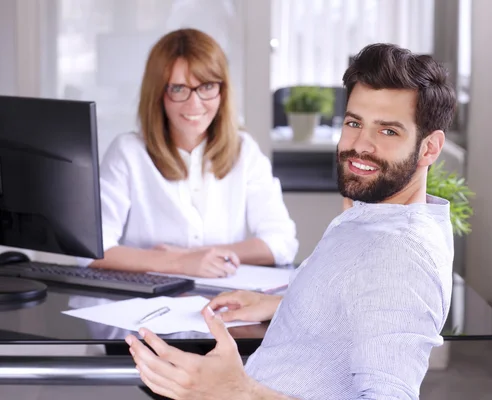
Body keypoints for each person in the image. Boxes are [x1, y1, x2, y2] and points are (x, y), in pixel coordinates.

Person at [125, 43, 457, 399]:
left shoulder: (401, 259)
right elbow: (362, 301)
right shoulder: (378, 215)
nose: (361, 144)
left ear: (430, 148)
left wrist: (239, 392)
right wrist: (290, 304)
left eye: (388, 131)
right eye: (353, 122)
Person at [84, 29, 298, 277]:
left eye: (207, 86)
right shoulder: (127, 153)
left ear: (222, 90)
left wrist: (201, 255)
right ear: (159, 94)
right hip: (143, 304)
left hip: (222, 303)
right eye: (178, 89)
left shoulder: (244, 150)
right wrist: (177, 263)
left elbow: (282, 243)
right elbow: (93, 251)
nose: (194, 104)